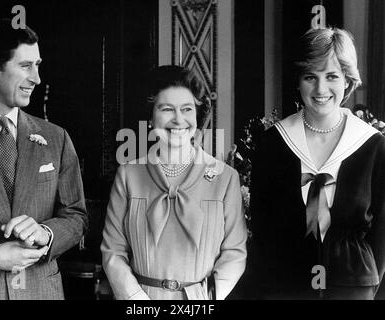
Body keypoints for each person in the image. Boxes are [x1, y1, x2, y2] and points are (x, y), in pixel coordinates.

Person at [248, 27, 385, 300]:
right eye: (310, 76)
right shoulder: (272, 144)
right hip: (283, 286)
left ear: (347, 80)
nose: (321, 89)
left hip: (352, 286)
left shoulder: (373, 145)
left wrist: (367, 284)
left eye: (332, 76)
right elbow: (262, 230)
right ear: (298, 81)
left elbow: (382, 232)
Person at [0, 19, 87, 299]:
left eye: (37, 65)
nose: (37, 78)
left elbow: (76, 217)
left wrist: (45, 233)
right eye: (26, 66)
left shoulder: (56, 138)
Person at [101, 65, 247, 300]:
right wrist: (137, 300)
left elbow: (235, 254)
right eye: (167, 109)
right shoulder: (128, 175)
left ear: (197, 116)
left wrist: (206, 298)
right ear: (150, 117)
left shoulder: (225, 177)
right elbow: (113, 252)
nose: (178, 120)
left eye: (187, 109)